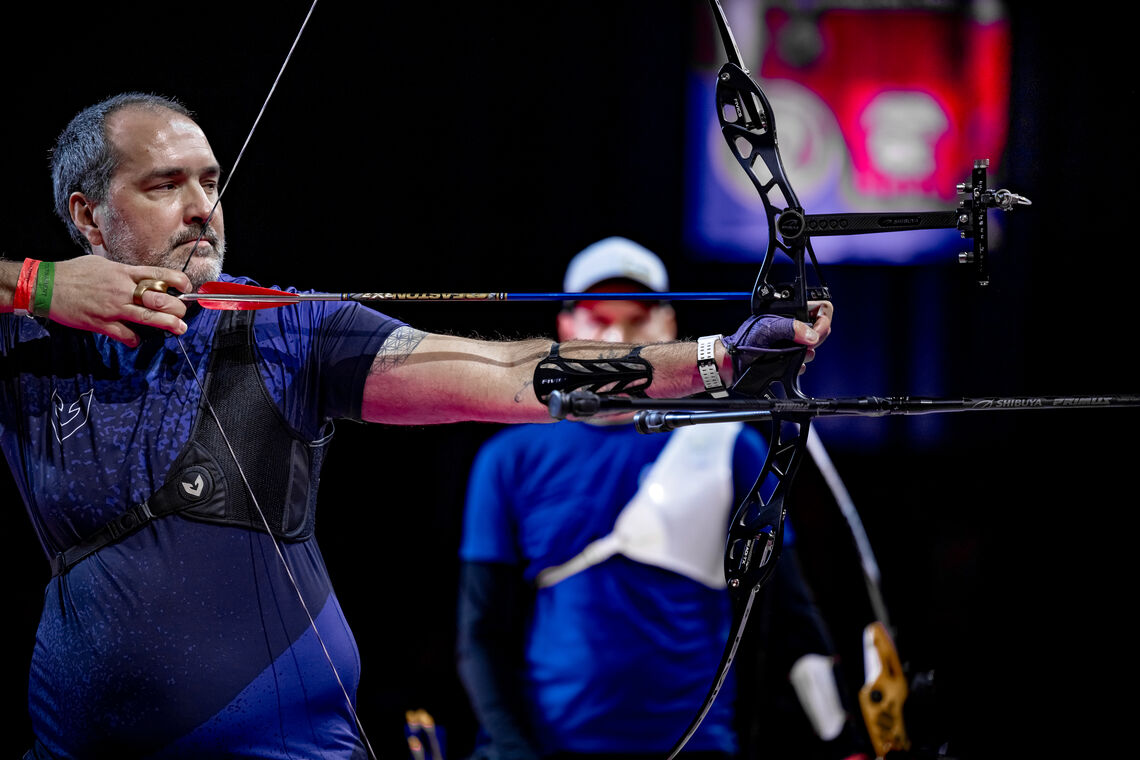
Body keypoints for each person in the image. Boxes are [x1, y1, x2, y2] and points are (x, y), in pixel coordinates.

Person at [0, 95, 831, 760]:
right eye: (163, 185)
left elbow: (504, 376)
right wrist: (34, 288)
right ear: (86, 214)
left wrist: (715, 360)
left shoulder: (284, 330)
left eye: (211, 182)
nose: (201, 209)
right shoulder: (30, 344)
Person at [456, 238, 865, 760]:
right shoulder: (509, 457)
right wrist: (512, 750)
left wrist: (843, 741)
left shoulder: (729, 445)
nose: (618, 337)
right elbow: (481, 633)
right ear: (564, 331)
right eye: (597, 317)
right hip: (551, 747)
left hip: (698, 747)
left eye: (639, 317)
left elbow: (789, 612)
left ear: (669, 325)